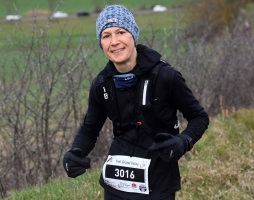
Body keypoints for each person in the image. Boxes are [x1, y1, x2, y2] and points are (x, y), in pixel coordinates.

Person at [63, 5, 209, 200]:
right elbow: (89, 129)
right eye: (106, 36)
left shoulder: (166, 76)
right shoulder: (101, 84)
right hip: (116, 184)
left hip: (159, 182)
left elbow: (199, 117)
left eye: (120, 32)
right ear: (101, 43)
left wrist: (184, 141)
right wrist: (75, 153)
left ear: (133, 35)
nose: (114, 42)